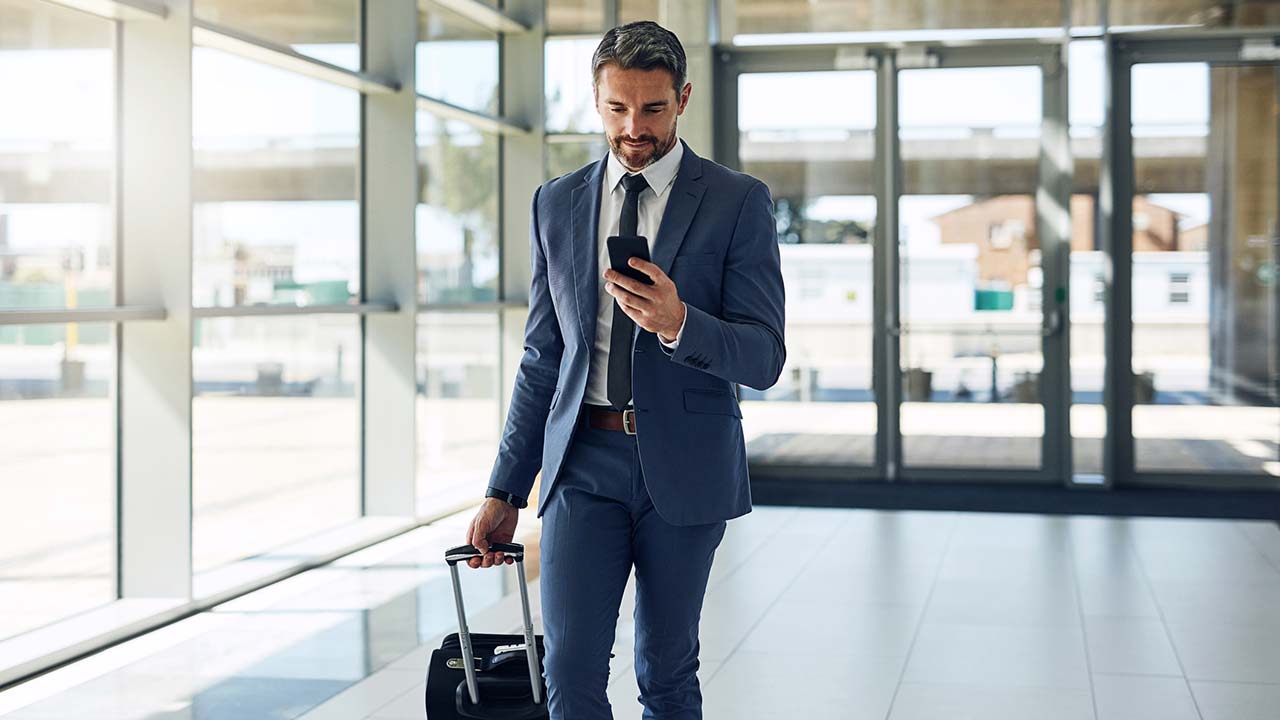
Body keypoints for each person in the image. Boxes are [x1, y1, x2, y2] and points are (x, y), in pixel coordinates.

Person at [464, 19, 785, 720]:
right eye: (617, 107)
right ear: (596, 99)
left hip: (688, 462)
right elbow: (543, 357)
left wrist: (679, 323)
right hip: (584, 460)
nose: (633, 127)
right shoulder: (557, 202)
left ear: (684, 98)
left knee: (666, 672)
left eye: (652, 108)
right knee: (571, 669)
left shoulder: (736, 201)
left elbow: (765, 356)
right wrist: (504, 489)